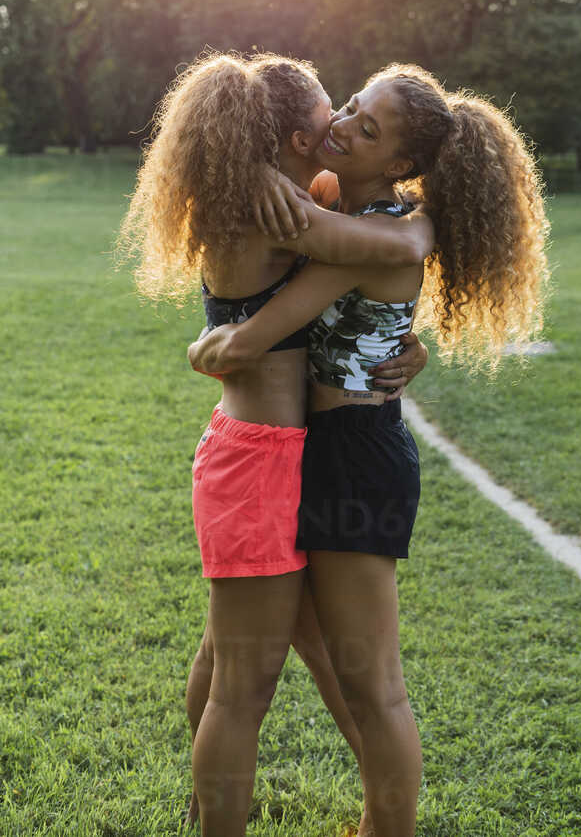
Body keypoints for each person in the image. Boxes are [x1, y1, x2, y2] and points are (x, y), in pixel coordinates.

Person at [189, 62, 551, 837]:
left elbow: (279, 310)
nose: (342, 125)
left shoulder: (375, 233)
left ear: (396, 165)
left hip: (355, 456)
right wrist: (260, 166)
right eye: (348, 107)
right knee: (257, 653)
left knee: (370, 684)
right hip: (311, 447)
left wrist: (230, 335)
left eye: (365, 126)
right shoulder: (334, 203)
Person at [117, 51, 433, 837]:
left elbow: (366, 268)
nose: (339, 121)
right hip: (260, 457)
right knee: (241, 687)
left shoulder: (285, 196)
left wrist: (405, 340)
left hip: (271, 451)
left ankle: (210, 799)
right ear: (297, 138)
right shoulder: (278, 213)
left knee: (224, 658)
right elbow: (389, 249)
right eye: (334, 108)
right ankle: (216, 811)